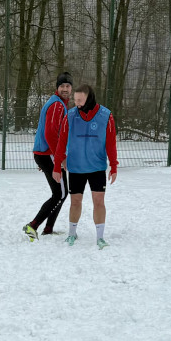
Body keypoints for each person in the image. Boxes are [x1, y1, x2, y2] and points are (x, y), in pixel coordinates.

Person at [52, 84, 118, 249]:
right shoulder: (70, 116)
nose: (77, 104)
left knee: (99, 202)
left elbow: (111, 144)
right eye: (75, 100)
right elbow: (61, 143)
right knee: (75, 201)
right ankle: (72, 234)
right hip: (76, 168)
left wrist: (114, 166)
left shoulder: (106, 116)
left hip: (97, 168)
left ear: (89, 99)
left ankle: (100, 237)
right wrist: (56, 166)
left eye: (80, 101)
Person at [23, 72, 72, 240]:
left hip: (44, 154)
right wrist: (60, 158)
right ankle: (33, 225)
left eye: (68, 86)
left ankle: (48, 228)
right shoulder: (57, 105)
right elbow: (51, 133)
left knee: (60, 193)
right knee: (61, 194)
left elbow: (47, 130)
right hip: (49, 154)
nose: (65, 89)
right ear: (57, 88)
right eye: (62, 86)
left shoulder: (58, 104)